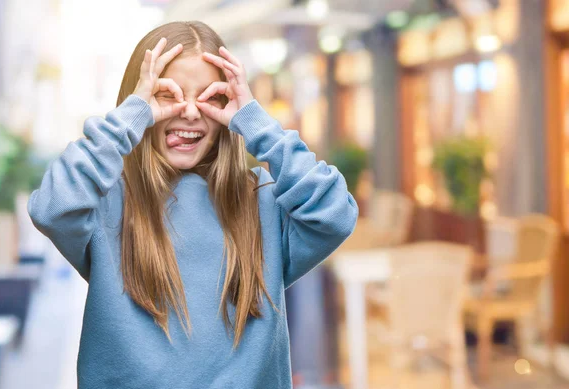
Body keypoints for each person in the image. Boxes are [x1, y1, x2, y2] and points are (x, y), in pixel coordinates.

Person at [28, 21, 358, 388]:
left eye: (208, 96)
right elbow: (51, 208)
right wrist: (130, 117)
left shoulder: (260, 200)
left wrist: (257, 123)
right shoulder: (105, 204)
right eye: (166, 94)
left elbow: (336, 215)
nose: (188, 111)